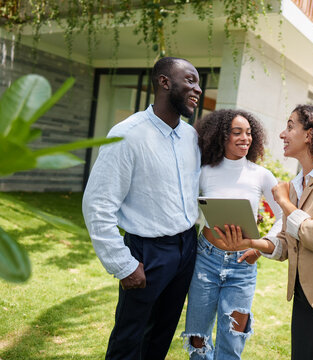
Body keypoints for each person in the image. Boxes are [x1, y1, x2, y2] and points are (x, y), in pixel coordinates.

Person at [218, 104, 313, 360]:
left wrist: (285, 203)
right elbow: (287, 244)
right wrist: (253, 243)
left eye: (290, 126)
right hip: (305, 297)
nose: (282, 134)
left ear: (310, 134)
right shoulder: (296, 184)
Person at [82, 57, 202, 360]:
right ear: (164, 82)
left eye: (198, 82)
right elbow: (98, 205)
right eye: (190, 80)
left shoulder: (191, 136)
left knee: (161, 335)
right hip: (147, 253)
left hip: (187, 247)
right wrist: (122, 264)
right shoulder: (128, 134)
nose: (197, 89)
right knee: (129, 338)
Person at [181, 109, 283, 359]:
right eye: (237, 132)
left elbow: (285, 216)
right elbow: (185, 210)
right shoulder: (204, 172)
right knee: (198, 337)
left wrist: (262, 246)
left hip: (242, 267)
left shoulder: (260, 175)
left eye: (249, 133)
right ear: (221, 136)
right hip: (206, 260)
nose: (245, 138)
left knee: (233, 339)